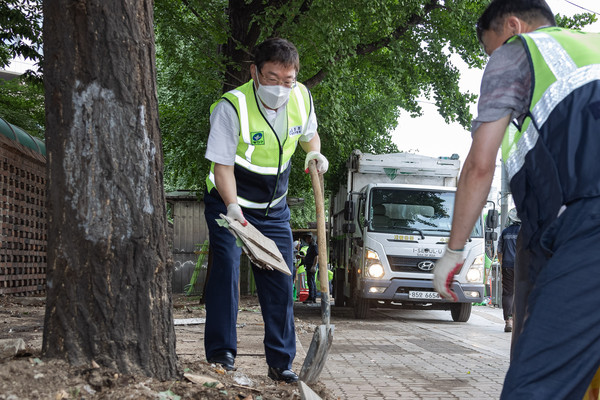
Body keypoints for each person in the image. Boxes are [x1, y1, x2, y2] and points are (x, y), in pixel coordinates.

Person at [432, 1, 600, 398]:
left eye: (491, 50)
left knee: (535, 386)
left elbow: (479, 165)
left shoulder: (518, 52)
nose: (494, 61)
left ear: (512, 27)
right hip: (563, 231)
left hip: (588, 224)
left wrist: (454, 251)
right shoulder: (589, 47)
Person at [202, 38, 328, 383]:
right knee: (227, 268)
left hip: (273, 207)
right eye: (271, 78)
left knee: (280, 276)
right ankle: (222, 353)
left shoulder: (301, 97)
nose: (280, 87)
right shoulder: (232, 106)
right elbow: (222, 167)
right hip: (230, 200)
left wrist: (313, 153)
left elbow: (309, 137)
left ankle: (281, 362)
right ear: (255, 71)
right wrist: (232, 208)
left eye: (287, 79)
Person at [497, 208, 520, 333]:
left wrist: (502, 266)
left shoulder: (505, 232)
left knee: (508, 293)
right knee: (522, 293)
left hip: (507, 266)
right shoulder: (526, 232)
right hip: (522, 267)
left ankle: (508, 320)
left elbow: (499, 251)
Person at [302, 233, 318, 304]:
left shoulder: (314, 246)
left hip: (311, 265)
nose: (307, 239)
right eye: (306, 238)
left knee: (311, 282)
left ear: (311, 238)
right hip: (309, 265)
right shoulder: (310, 246)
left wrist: (314, 265)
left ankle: (312, 297)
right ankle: (312, 297)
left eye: (308, 238)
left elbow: (316, 256)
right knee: (310, 281)